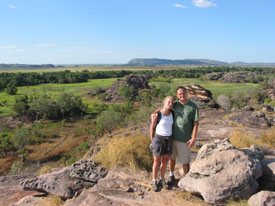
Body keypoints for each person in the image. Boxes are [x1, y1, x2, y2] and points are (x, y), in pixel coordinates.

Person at [168, 86, 199, 184]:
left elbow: (196, 123)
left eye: (183, 93)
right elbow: (164, 108)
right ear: (177, 95)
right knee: (172, 158)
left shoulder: (193, 106)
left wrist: (193, 138)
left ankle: (187, 180)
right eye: (180, 94)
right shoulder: (175, 105)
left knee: (185, 161)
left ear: (187, 93)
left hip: (184, 139)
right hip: (173, 137)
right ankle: (171, 175)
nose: (182, 95)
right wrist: (155, 114)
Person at [150, 96, 174, 192]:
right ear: (164, 102)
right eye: (168, 102)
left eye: (172, 103)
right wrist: (152, 141)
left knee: (164, 161)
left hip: (168, 139)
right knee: (156, 161)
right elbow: (152, 128)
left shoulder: (172, 113)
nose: (170, 104)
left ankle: (162, 179)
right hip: (158, 139)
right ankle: (154, 180)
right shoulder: (158, 114)